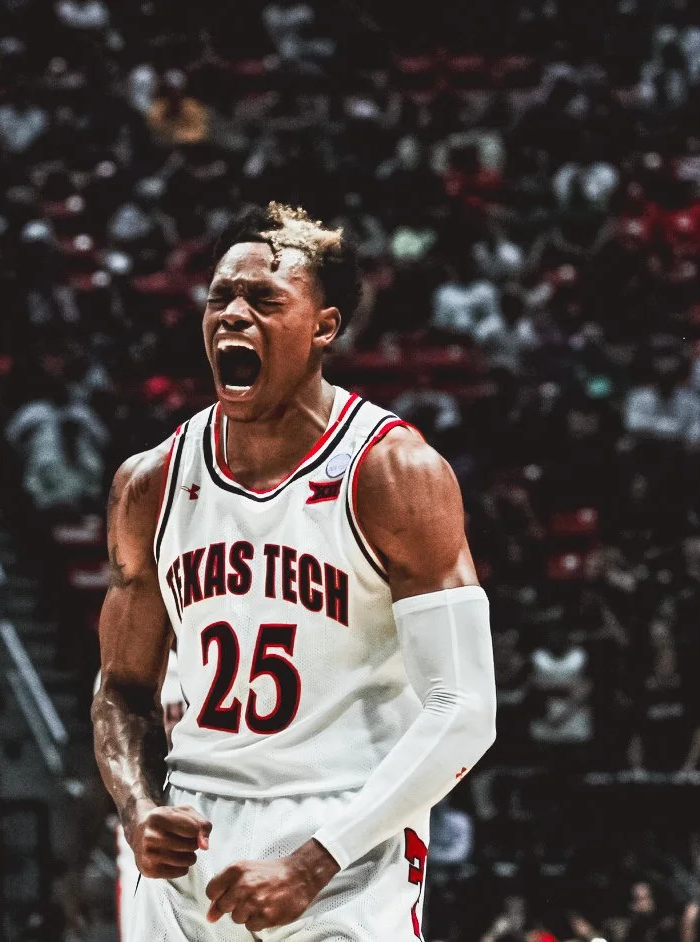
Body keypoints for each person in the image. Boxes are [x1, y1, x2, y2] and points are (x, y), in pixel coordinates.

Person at [91, 202, 497, 940]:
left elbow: (464, 706)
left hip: (344, 832)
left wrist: (314, 862)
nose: (232, 314)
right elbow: (121, 690)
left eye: (264, 299)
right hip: (191, 832)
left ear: (323, 327)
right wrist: (137, 807)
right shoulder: (150, 484)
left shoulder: (391, 472)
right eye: (220, 296)